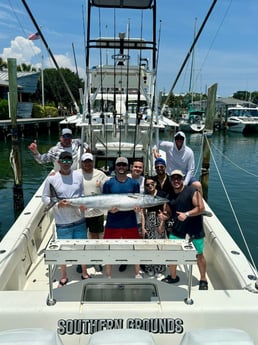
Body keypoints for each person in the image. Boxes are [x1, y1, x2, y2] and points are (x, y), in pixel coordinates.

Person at [41, 151, 91, 287]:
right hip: (62, 222)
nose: (66, 163)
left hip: (79, 219)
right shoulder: (51, 179)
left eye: (69, 161)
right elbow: (45, 198)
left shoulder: (78, 176)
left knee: (82, 248)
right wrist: (57, 203)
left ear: (72, 163)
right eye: (64, 161)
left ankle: (85, 272)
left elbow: (81, 194)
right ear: (59, 162)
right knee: (63, 250)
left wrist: (82, 204)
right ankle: (63, 276)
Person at [159, 169, 208, 290]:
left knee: (199, 255)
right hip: (177, 229)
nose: (176, 180)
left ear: (183, 179)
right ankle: (173, 276)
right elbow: (169, 213)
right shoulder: (169, 195)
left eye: (179, 178)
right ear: (170, 180)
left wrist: (186, 214)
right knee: (172, 253)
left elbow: (201, 208)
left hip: (195, 229)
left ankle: (203, 279)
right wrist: (164, 216)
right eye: (174, 178)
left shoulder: (192, 191)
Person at [103, 156, 142, 279]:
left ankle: (137, 272)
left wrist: (138, 208)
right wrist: (109, 209)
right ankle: (108, 274)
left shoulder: (134, 183)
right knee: (108, 248)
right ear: (115, 166)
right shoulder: (108, 183)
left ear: (128, 167)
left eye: (123, 165)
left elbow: (138, 201)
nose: (121, 167)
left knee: (135, 247)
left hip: (130, 222)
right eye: (119, 164)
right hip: (112, 222)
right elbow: (104, 201)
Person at [118, 159, 145, 273]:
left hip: (138, 216)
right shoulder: (124, 178)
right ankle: (124, 260)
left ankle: (138, 262)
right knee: (124, 241)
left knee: (137, 241)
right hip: (124, 216)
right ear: (131, 167)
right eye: (136, 167)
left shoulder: (145, 180)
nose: (137, 169)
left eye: (140, 167)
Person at [79, 152, 109, 240]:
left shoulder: (101, 174)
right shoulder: (75, 174)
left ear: (93, 162)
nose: (87, 164)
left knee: (95, 236)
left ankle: (94, 252)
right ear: (81, 162)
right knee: (80, 235)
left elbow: (108, 191)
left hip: (97, 212)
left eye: (89, 161)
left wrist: (100, 186)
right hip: (80, 213)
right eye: (85, 162)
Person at [141, 177, 167, 277]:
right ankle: (149, 267)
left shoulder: (162, 194)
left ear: (155, 183)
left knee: (159, 246)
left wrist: (161, 225)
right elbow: (143, 213)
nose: (150, 186)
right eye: (147, 185)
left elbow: (164, 212)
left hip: (159, 220)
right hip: (149, 220)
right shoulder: (145, 196)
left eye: (152, 183)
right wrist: (143, 227)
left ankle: (159, 268)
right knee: (149, 246)